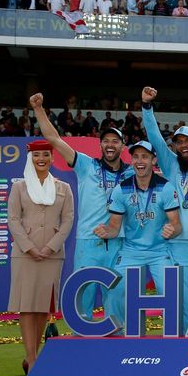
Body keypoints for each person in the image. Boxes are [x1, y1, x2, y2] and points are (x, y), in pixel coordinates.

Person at [30, 93, 132, 322]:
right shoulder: (86, 164)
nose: (110, 145)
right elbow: (54, 139)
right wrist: (38, 110)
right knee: (83, 297)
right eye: (106, 141)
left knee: (117, 298)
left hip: (120, 242)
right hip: (89, 240)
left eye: (115, 141)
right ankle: (81, 337)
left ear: (123, 145)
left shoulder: (132, 172)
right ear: (100, 144)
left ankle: (118, 337)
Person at [140, 87, 188, 334]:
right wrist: (147, 107)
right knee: (181, 302)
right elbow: (154, 136)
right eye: (178, 142)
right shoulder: (170, 164)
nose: (183, 145)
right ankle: (182, 345)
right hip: (177, 245)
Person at [94, 141, 182, 334]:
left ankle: (174, 338)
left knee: (171, 292)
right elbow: (114, 228)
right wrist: (106, 231)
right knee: (115, 289)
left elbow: (177, 225)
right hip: (131, 251)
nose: (139, 161)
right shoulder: (121, 189)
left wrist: (172, 229)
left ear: (153, 160)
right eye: (135, 157)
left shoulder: (166, 187)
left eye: (144, 157)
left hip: (159, 251)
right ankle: (115, 334)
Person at [8, 141, 74, 374]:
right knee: (27, 306)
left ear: (52, 158)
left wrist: (50, 247)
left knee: (42, 307)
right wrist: (28, 247)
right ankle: (32, 358)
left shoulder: (63, 187)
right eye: (36, 155)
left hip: (51, 255)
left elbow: (68, 220)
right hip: (24, 254)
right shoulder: (19, 187)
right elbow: (13, 219)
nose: (41, 159)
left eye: (46, 154)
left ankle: (33, 356)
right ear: (30, 158)